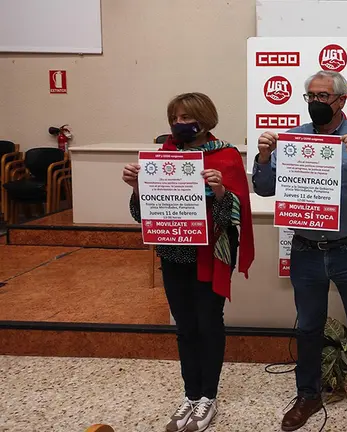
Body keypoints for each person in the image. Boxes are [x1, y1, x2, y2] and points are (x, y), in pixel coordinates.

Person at [252, 70, 347, 432]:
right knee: (308, 328)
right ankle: (308, 396)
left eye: (323, 96)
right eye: (311, 96)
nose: (316, 102)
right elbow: (265, 188)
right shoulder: (294, 138)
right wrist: (264, 158)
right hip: (306, 250)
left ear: (341, 100)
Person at [122, 92, 254, 432]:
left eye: (186, 117)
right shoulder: (161, 156)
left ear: (205, 120)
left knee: (208, 323)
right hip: (173, 252)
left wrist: (220, 192)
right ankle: (190, 394)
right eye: (174, 118)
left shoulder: (226, 155)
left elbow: (234, 217)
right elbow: (142, 215)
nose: (179, 123)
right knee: (184, 326)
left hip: (211, 254)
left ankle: (208, 396)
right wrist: (137, 187)